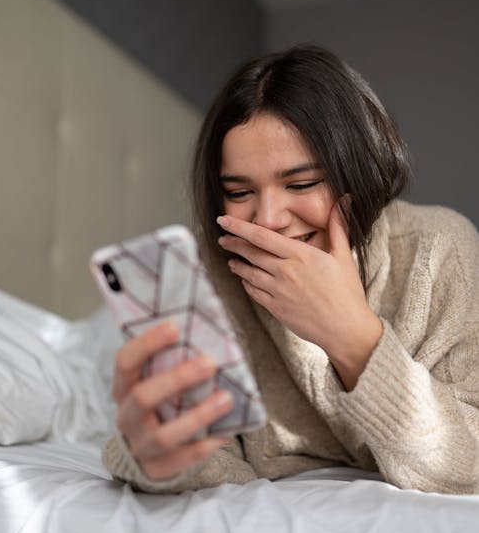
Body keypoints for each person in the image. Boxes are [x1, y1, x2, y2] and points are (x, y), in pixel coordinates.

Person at [102, 43, 479, 494]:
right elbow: (205, 458)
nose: (267, 220)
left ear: (360, 172)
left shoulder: (439, 250)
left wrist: (353, 338)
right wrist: (155, 455)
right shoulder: (209, 271)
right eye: (239, 192)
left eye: (301, 183)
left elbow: (468, 462)